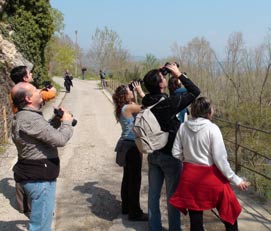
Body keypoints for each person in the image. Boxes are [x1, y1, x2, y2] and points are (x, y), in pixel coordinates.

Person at [169, 97, 250, 231]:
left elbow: (175, 152)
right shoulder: (213, 129)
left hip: (190, 178)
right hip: (210, 177)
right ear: (208, 112)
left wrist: (189, 159)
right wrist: (236, 179)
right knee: (229, 210)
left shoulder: (183, 127)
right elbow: (220, 159)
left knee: (195, 217)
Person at [141, 63, 200, 231]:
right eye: (162, 78)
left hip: (153, 154)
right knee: (172, 197)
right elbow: (195, 92)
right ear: (161, 84)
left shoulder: (147, 101)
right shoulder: (168, 104)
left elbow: (154, 89)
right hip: (169, 156)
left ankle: (155, 227)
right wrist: (179, 74)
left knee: (153, 195)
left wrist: (159, 73)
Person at [11, 82, 74, 231]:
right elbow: (60, 140)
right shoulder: (30, 119)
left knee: (40, 221)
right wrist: (67, 122)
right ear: (28, 99)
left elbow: (42, 133)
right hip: (40, 179)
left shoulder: (25, 116)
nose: (40, 91)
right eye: (35, 90)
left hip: (32, 175)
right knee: (41, 226)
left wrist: (56, 120)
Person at [9, 65, 57, 217]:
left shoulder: (19, 91)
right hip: (26, 129)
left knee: (24, 165)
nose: (31, 75)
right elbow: (59, 140)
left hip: (23, 128)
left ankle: (28, 205)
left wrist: (42, 91)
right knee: (26, 166)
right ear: (24, 78)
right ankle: (30, 207)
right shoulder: (19, 92)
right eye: (29, 73)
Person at [112, 81, 148, 221]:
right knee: (135, 180)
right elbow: (146, 108)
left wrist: (134, 94)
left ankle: (126, 207)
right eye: (130, 91)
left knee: (128, 178)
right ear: (125, 96)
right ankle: (135, 212)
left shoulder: (123, 107)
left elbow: (137, 113)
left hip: (126, 145)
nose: (132, 92)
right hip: (132, 146)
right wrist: (140, 91)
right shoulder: (128, 107)